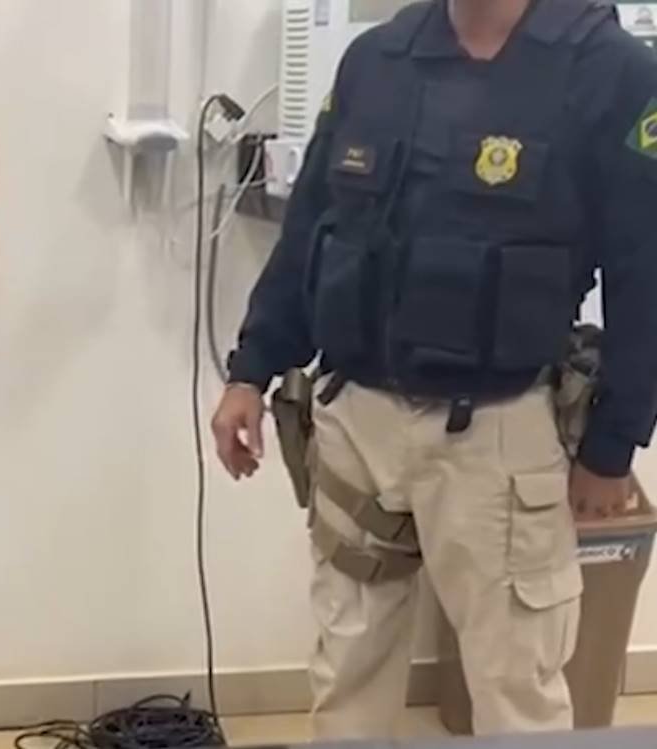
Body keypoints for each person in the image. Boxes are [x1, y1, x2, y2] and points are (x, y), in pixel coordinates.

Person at [212, 0, 657, 740]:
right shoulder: (378, 58)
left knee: (517, 696)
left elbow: (646, 278)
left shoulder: (612, 71)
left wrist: (613, 446)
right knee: (346, 676)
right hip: (357, 424)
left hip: (499, 434)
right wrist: (249, 370)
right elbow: (312, 229)